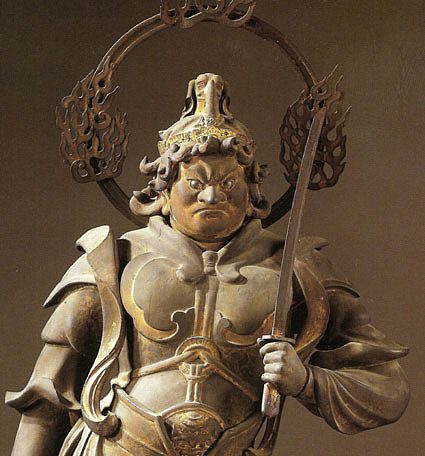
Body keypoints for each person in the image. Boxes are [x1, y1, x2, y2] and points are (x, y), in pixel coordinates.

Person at [6, 73, 409, 456]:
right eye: (195, 183)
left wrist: (307, 382)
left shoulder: (298, 269)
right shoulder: (112, 262)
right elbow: (46, 396)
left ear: (252, 192)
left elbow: (387, 390)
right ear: (163, 192)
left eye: (228, 183)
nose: (212, 197)